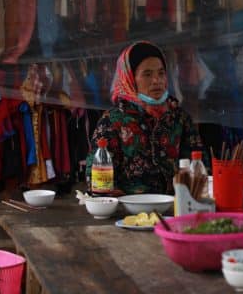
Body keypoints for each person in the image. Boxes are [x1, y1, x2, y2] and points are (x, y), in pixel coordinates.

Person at [85, 41, 203, 195]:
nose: (157, 80)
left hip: (175, 206)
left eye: (161, 73)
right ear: (130, 79)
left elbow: (198, 162)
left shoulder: (179, 117)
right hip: (129, 211)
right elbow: (95, 175)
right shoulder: (113, 121)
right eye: (147, 74)